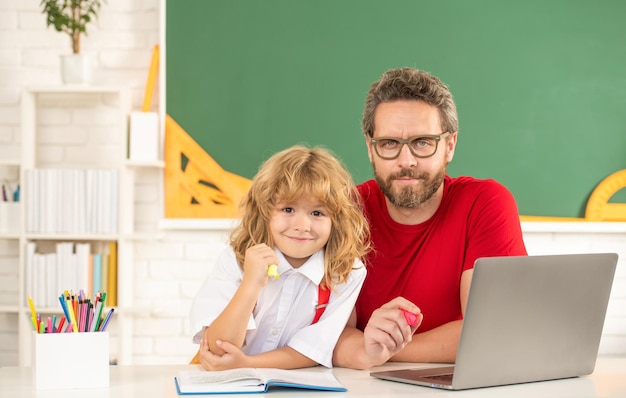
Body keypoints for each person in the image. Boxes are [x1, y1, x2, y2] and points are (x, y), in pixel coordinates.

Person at [332, 67, 528, 369]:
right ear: (370, 148)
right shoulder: (345, 210)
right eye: (389, 144)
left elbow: (490, 332)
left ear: (449, 145)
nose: (406, 161)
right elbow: (323, 334)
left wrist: (375, 348)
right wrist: (356, 345)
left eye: (423, 142)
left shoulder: (485, 203)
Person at [189, 145, 370, 370]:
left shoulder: (346, 273)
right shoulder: (236, 260)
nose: (302, 226)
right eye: (288, 209)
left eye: (317, 213)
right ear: (264, 211)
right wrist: (251, 284)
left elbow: (312, 350)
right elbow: (218, 348)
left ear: (337, 220)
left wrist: (247, 364)